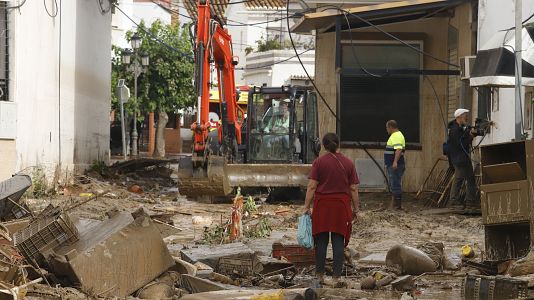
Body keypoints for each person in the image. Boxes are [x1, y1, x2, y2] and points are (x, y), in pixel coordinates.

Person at [304, 133, 359, 285]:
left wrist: (306, 207)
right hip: (341, 207)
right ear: (338, 144)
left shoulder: (319, 163)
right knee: (338, 240)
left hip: (323, 206)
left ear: (324, 146)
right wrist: (356, 209)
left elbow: (312, 186)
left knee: (321, 241)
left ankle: (320, 274)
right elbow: (353, 189)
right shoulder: (348, 163)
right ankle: (336, 276)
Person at [448, 108, 477, 209]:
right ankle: (453, 201)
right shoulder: (454, 130)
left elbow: (463, 140)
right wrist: (470, 137)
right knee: (459, 179)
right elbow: (460, 144)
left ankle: (470, 201)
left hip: (464, 157)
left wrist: (468, 133)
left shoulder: (459, 128)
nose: (467, 117)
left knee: (470, 178)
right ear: (459, 117)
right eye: (465, 116)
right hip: (459, 158)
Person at [384, 120, 406, 210]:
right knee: (394, 183)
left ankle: (397, 206)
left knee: (395, 183)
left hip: (395, 165)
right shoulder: (396, 135)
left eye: (387, 127)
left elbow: (398, 149)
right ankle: (394, 204)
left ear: (390, 127)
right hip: (394, 164)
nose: (386, 129)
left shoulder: (396, 135)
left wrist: (395, 162)